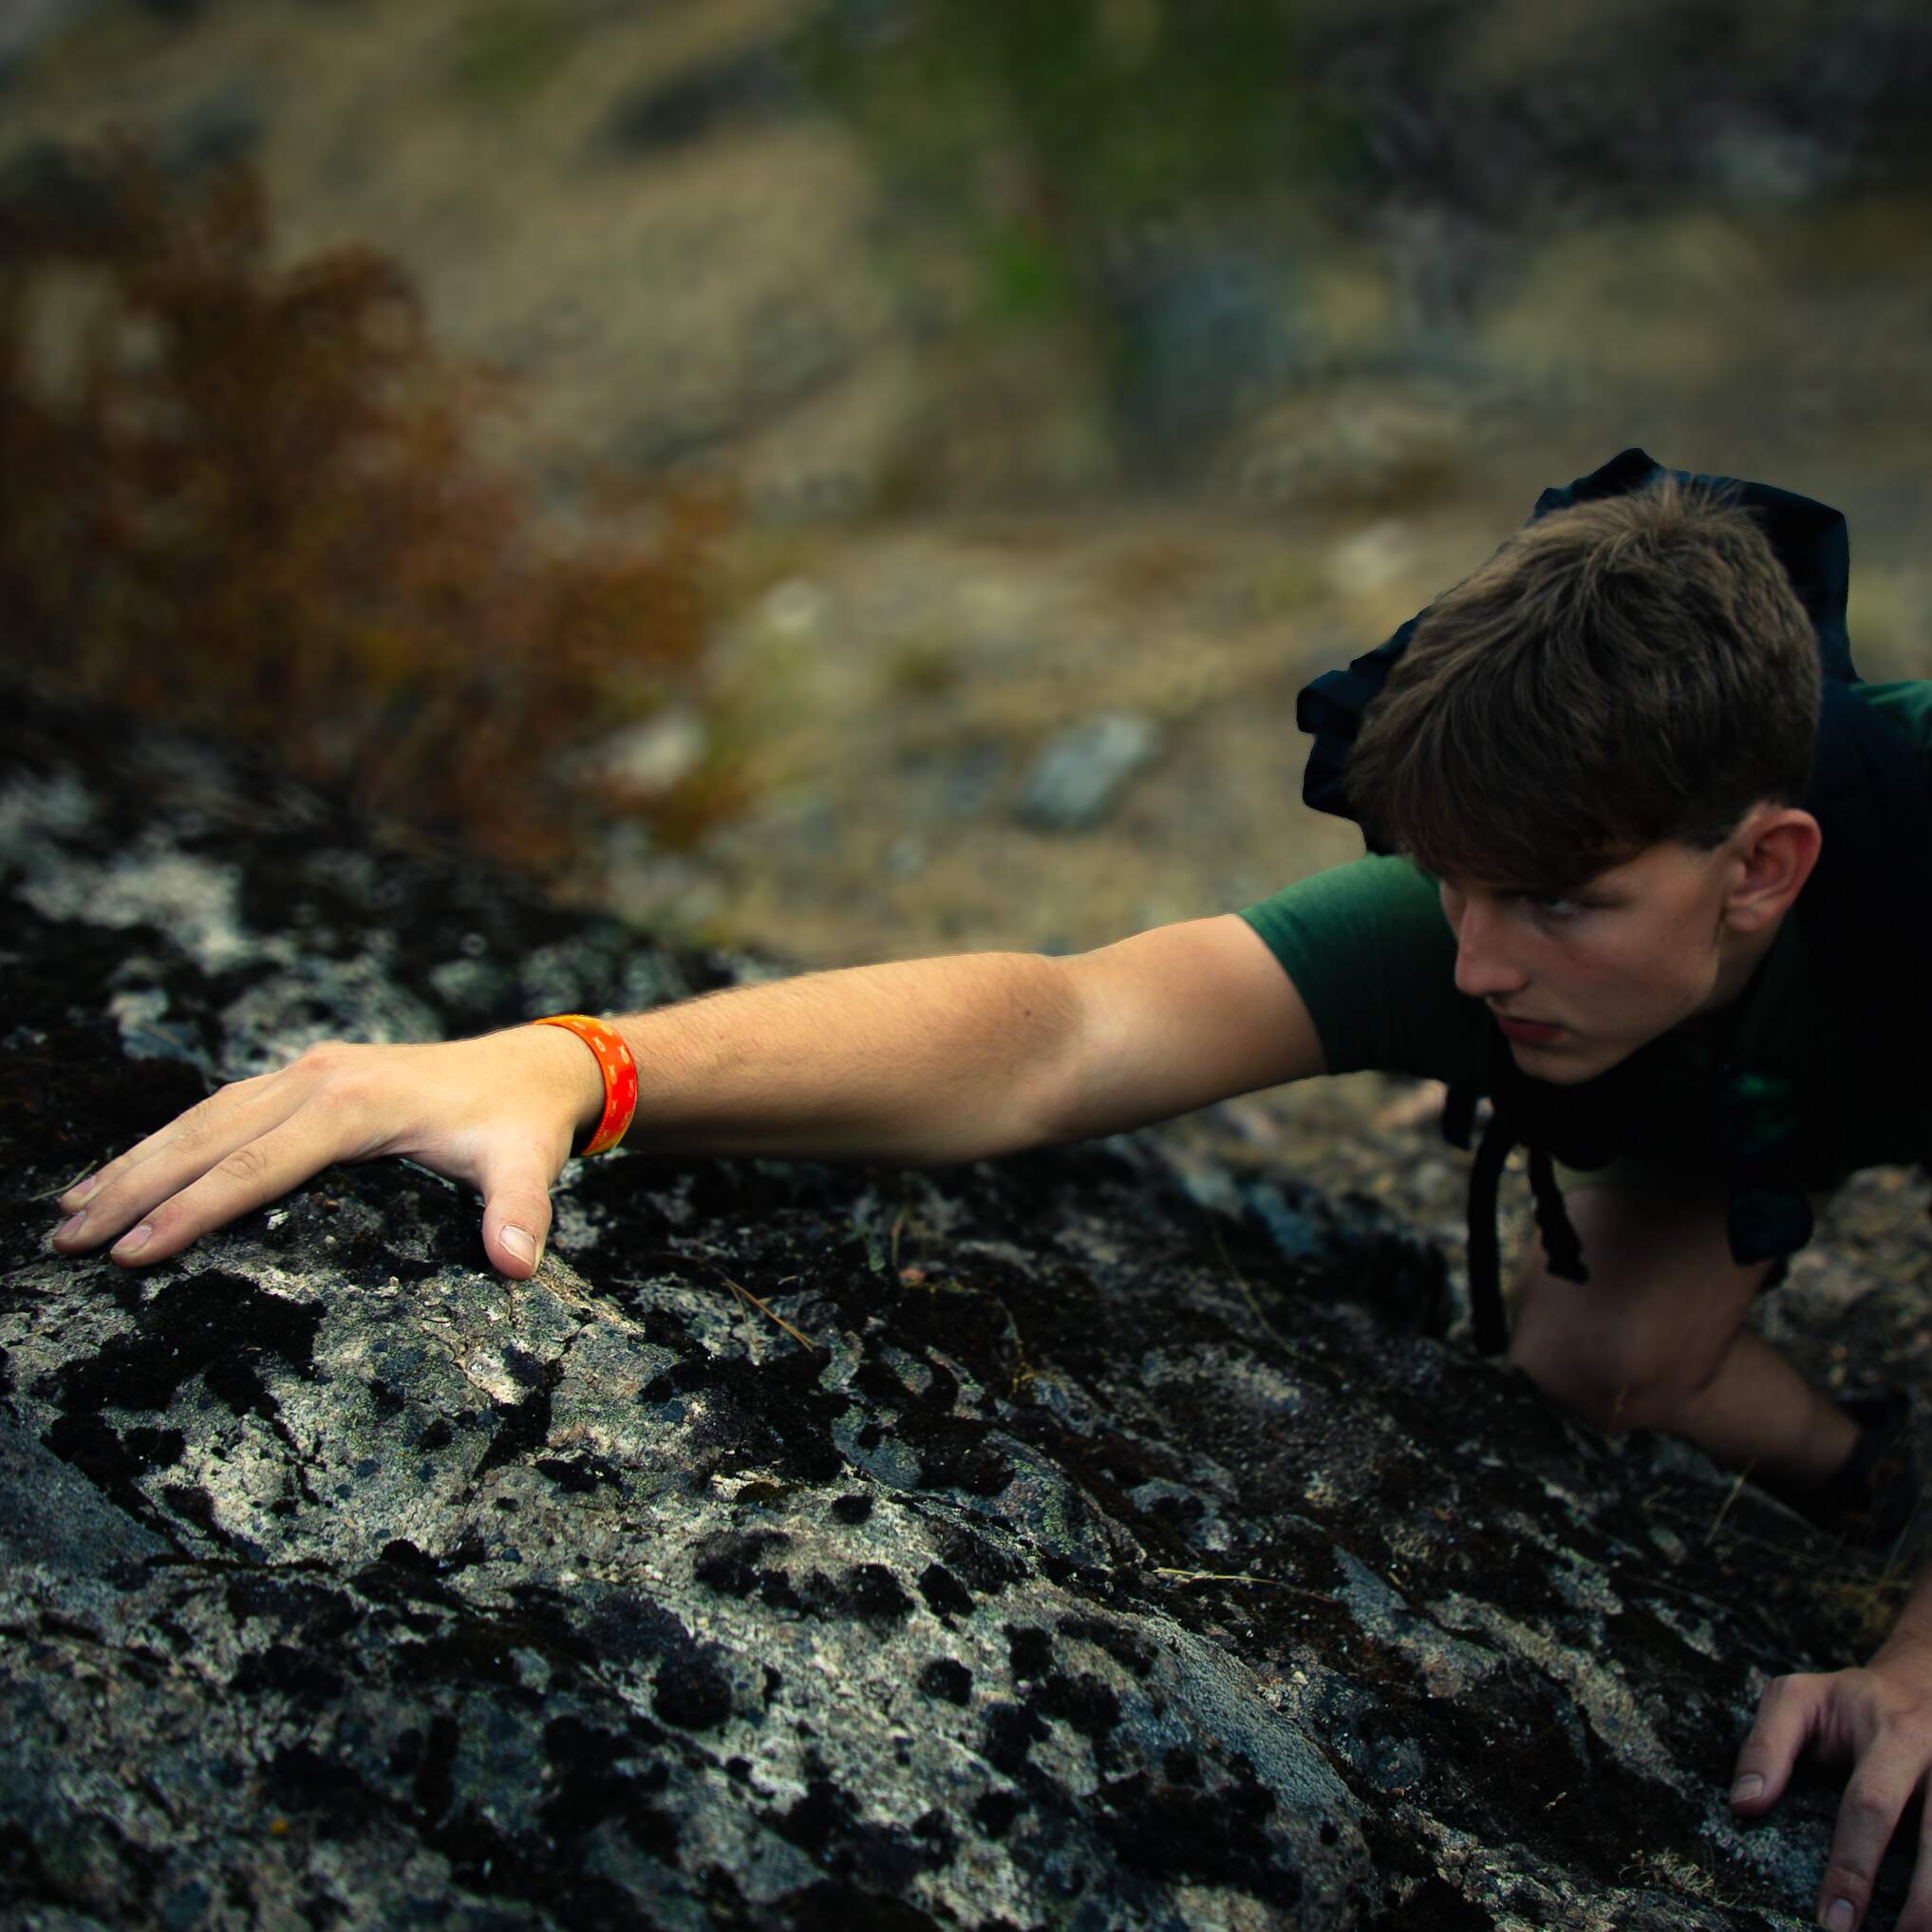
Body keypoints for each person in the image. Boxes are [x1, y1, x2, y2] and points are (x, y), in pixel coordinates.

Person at [47, 453, 1932, 1932]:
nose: (1483, 961)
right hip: (1711, 1059)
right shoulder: (1515, 911)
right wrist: (580, 1062)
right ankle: (1875, 1468)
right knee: (1598, 1359)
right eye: (1452, 889)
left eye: (1556, 908)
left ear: (1760, 862)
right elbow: (1056, 1029)